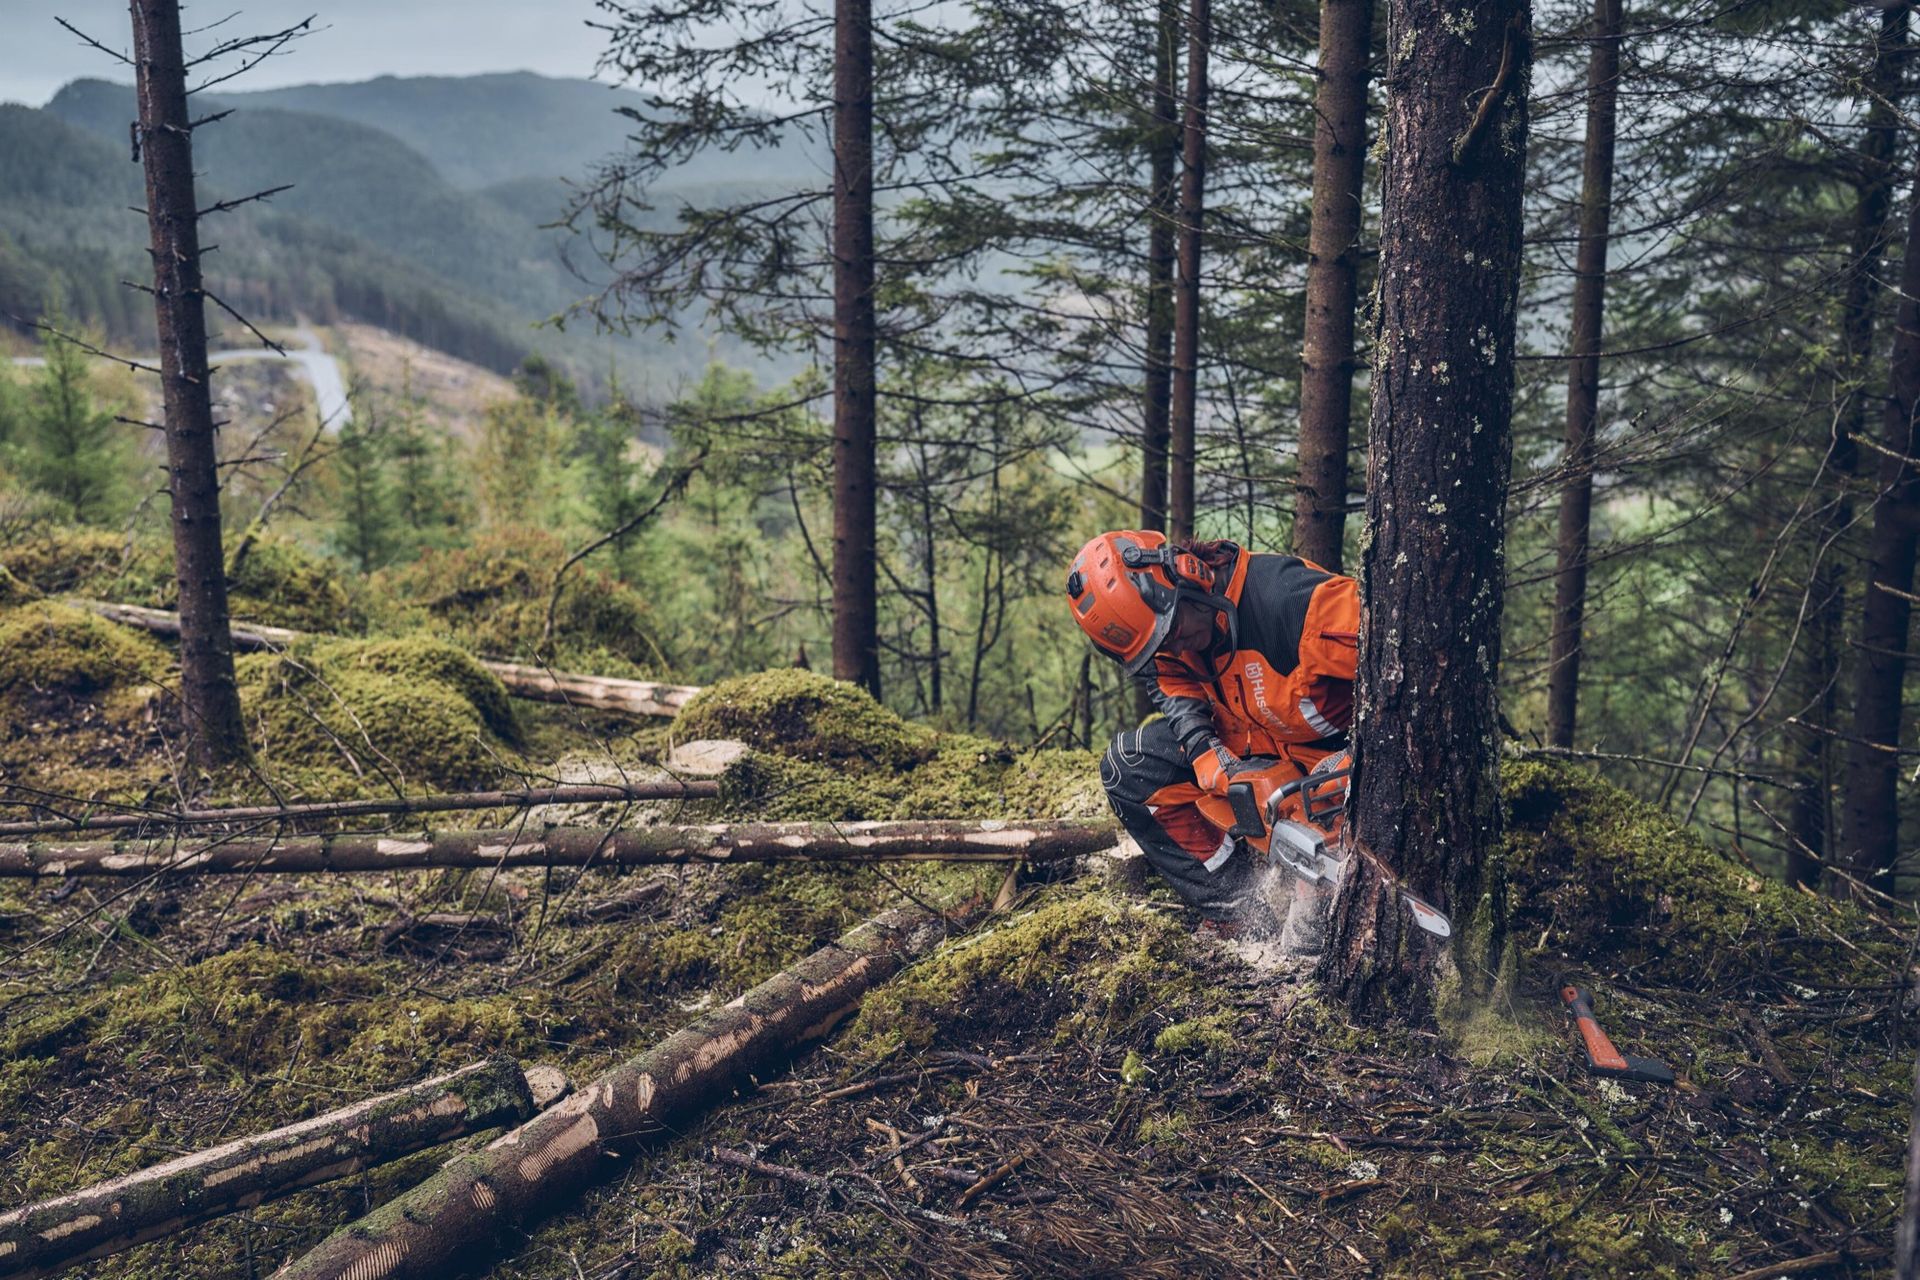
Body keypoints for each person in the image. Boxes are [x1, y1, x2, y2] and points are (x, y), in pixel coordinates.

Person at [1064, 529, 1358, 940]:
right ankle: (1239, 910)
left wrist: (1361, 759)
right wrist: (1203, 748)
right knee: (1129, 769)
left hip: (1333, 764)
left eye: (1175, 628)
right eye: (1160, 645)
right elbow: (1168, 679)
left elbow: (1403, 671)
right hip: (1253, 746)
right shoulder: (1168, 639)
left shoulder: (1297, 605)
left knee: (1305, 938)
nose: (1177, 645)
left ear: (1186, 573)